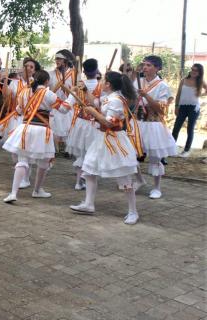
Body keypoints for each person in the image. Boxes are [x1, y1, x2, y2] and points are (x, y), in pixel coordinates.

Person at [70, 71, 142, 225]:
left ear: (108, 84)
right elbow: (95, 102)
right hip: (101, 139)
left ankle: (133, 211)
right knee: (89, 170)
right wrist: (85, 91)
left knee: (123, 177)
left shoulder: (116, 100)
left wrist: (93, 113)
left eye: (103, 80)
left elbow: (109, 122)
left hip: (114, 141)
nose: (100, 82)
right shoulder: (109, 97)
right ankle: (88, 204)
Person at [2, 70, 70, 203]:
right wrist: (72, 98)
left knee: (22, 160)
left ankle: (13, 193)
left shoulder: (24, 92)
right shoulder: (49, 94)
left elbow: (19, 111)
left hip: (25, 128)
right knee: (44, 162)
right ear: (47, 81)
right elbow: (64, 109)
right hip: (42, 130)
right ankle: (37, 191)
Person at [134, 55, 177, 199]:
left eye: (149, 65)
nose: (145, 68)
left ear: (157, 68)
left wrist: (146, 96)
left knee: (155, 157)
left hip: (153, 124)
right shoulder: (138, 81)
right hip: (139, 122)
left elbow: (161, 109)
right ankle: (139, 180)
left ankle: (157, 188)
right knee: (131, 154)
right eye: (144, 65)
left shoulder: (162, 85)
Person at [65, 58, 102, 190]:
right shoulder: (102, 87)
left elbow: (67, 105)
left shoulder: (78, 87)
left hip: (80, 123)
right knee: (91, 153)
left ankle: (78, 182)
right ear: (97, 70)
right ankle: (86, 180)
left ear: (84, 72)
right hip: (96, 124)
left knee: (81, 153)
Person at [172, 64, 206, 157]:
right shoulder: (183, 80)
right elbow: (178, 94)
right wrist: (176, 106)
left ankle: (186, 150)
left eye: (196, 70)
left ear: (199, 72)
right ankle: (172, 148)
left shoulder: (200, 82)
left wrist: (200, 95)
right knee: (176, 128)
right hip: (182, 107)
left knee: (190, 129)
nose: (193, 71)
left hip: (193, 108)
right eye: (192, 69)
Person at [49, 49, 75, 145]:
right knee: (54, 133)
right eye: (56, 59)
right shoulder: (50, 74)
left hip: (68, 108)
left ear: (66, 60)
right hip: (54, 107)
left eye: (59, 58)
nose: (57, 61)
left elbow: (77, 93)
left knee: (68, 133)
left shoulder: (75, 74)